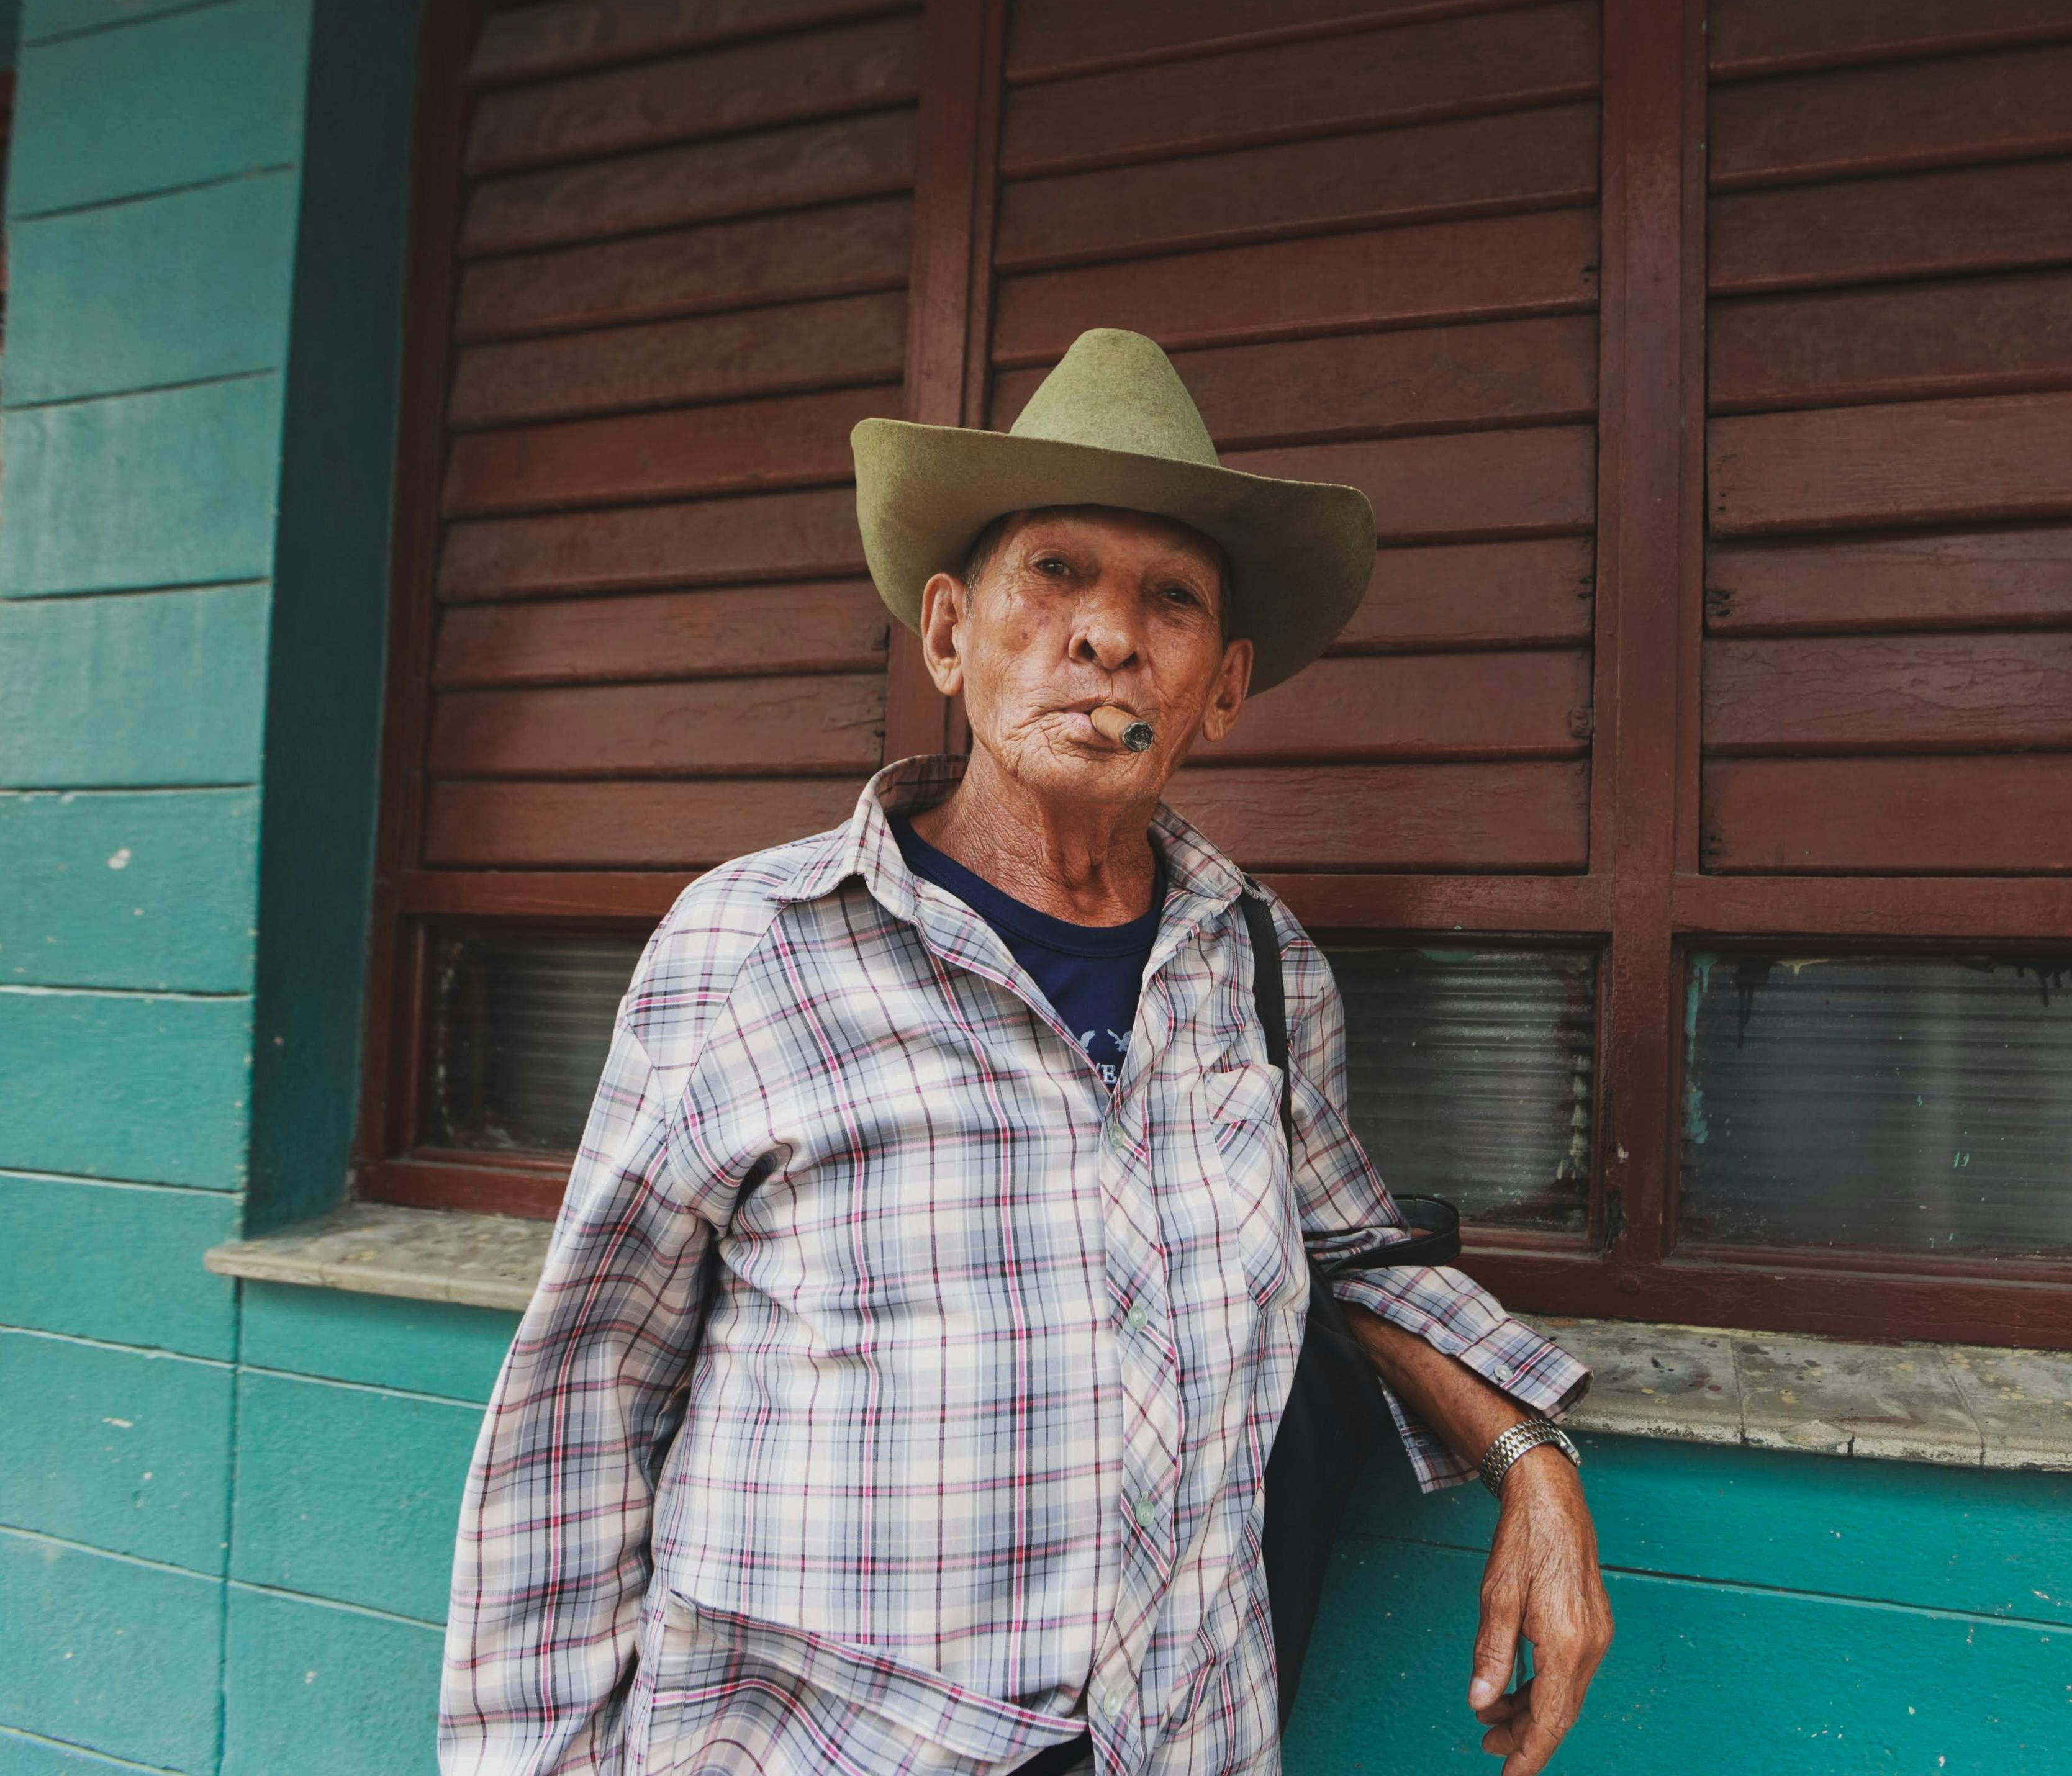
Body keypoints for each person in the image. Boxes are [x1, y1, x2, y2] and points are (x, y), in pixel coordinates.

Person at [438, 329, 1611, 1776]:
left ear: (1220, 686)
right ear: (948, 631)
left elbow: (1351, 1246)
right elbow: (585, 1399)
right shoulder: (756, 943)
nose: (1106, 635)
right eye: (1054, 573)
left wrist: (1532, 1463)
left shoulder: (1257, 962)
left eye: (1166, 601)